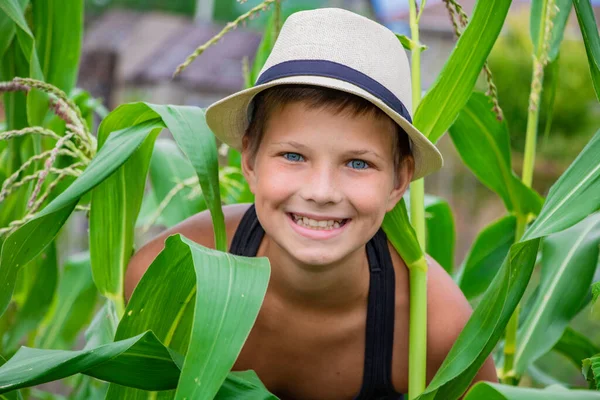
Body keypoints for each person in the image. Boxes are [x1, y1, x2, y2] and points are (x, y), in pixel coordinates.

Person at [124, 7, 497, 400]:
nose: (321, 191)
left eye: (358, 163)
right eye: (293, 156)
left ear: (399, 181)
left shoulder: (435, 327)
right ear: (249, 159)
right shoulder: (171, 280)